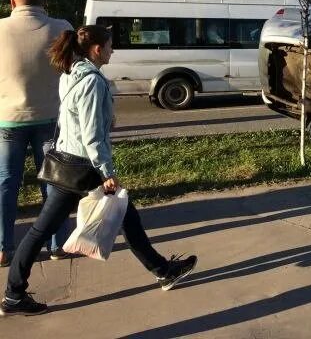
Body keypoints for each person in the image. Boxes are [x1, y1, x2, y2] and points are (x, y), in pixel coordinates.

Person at [0, 26, 197, 316]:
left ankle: (14, 293)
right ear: (96, 50)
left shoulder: (70, 72)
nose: (112, 50)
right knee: (118, 217)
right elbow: (92, 136)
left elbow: (75, 119)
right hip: (85, 166)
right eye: (109, 46)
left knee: (50, 228)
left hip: (68, 160)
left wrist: (106, 118)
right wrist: (107, 172)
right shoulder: (92, 81)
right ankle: (13, 294)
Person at [0, 0, 71, 267]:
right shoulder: (62, 27)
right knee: (54, 183)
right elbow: (72, 69)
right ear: (45, 2)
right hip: (52, 119)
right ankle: (57, 245)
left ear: (12, 2)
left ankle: (4, 248)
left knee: (6, 184)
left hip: (8, 118)